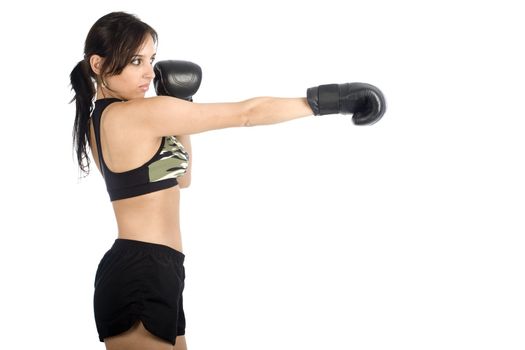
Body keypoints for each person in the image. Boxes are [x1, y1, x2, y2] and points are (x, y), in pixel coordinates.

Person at [70, 11, 386, 350]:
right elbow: (246, 113)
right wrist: (331, 100)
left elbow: (182, 178)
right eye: (135, 61)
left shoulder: (102, 120)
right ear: (99, 64)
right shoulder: (139, 114)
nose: (149, 72)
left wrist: (182, 104)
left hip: (159, 268)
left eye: (151, 59)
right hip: (141, 272)